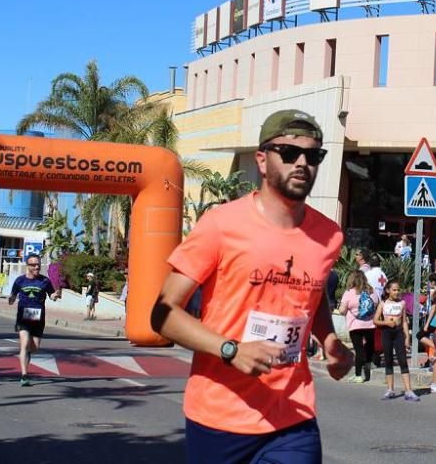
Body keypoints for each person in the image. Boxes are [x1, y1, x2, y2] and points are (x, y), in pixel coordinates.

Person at [150, 109, 353, 463]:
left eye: (313, 155)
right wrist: (231, 350)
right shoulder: (220, 225)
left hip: (292, 413)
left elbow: (312, 292)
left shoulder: (329, 236)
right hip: (219, 414)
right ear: (262, 159)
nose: (302, 163)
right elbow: (163, 314)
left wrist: (330, 338)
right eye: (289, 153)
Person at [8, 254, 60, 386]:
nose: (37, 267)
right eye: (34, 265)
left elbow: (51, 295)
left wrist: (56, 295)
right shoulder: (20, 281)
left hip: (38, 318)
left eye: (38, 264)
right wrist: (11, 299)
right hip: (23, 317)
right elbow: (13, 296)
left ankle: (27, 355)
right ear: (28, 266)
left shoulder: (45, 281)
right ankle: (24, 375)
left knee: (35, 347)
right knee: (24, 344)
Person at [374, 280, 419, 402]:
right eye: (394, 290)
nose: (397, 292)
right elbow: (375, 320)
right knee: (388, 360)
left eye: (398, 290)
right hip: (386, 333)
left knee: (403, 361)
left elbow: (404, 321)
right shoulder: (383, 303)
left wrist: (407, 338)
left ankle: (409, 390)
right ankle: (390, 389)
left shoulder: (402, 303)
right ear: (388, 290)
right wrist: (386, 323)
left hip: (398, 333)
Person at [337, 270, 376, 383]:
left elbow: (342, 310)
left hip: (355, 325)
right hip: (370, 324)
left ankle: (358, 375)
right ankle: (368, 364)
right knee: (369, 346)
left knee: (359, 350)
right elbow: (377, 303)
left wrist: (347, 309)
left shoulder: (349, 293)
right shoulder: (371, 291)